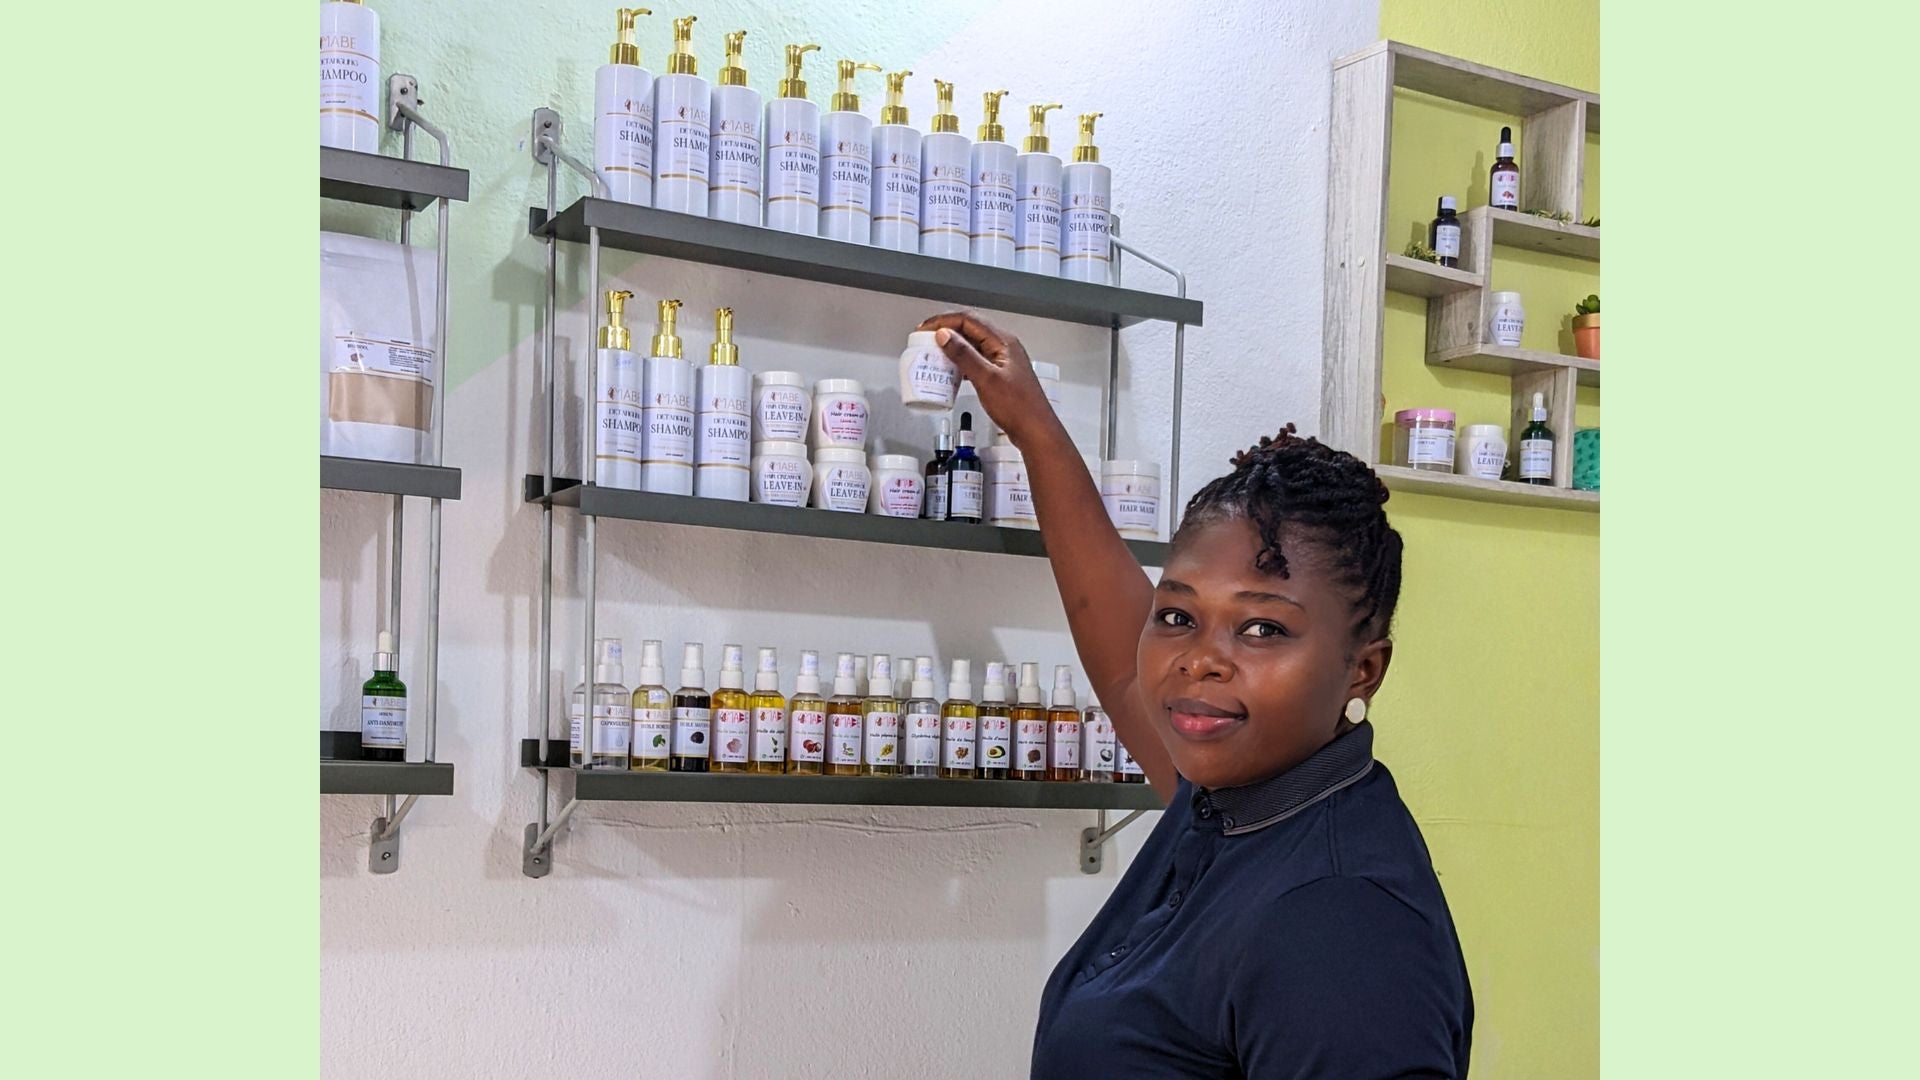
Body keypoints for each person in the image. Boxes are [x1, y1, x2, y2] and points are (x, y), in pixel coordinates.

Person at [919, 312, 1474, 1079]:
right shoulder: (1232, 801)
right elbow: (1124, 667)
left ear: (1363, 670)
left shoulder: (1340, 920)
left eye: (1263, 629)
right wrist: (1034, 429)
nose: (1198, 661)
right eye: (1178, 616)